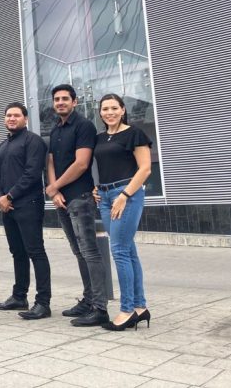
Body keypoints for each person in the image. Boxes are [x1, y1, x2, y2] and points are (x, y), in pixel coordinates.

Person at [46, 84, 109, 326]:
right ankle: (88, 299)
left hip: (80, 197)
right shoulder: (55, 129)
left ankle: (100, 308)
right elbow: (50, 161)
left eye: (65, 99)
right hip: (61, 198)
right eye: (57, 99)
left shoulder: (84, 126)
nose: (60, 102)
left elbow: (82, 164)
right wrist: (54, 191)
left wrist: (55, 187)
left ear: (75, 101)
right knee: (78, 251)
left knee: (90, 252)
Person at [93, 94, 152, 331]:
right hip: (106, 196)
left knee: (118, 251)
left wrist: (124, 196)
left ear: (123, 109)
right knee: (128, 251)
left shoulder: (134, 133)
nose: (109, 112)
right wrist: (96, 188)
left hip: (126, 194)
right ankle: (140, 307)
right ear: (100, 113)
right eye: (105, 109)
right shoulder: (99, 138)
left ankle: (127, 310)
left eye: (114, 108)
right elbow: (100, 167)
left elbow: (145, 168)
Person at [0, 103, 51, 319]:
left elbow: (32, 173)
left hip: (28, 204)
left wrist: (10, 196)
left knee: (36, 251)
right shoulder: (3, 145)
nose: (12, 118)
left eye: (16, 115)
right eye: (8, 115)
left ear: (25, 118)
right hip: (8, 207)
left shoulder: (33, 141)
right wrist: (0, 197)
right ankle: (19, 296)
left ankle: (43, 303)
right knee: (17, 252)